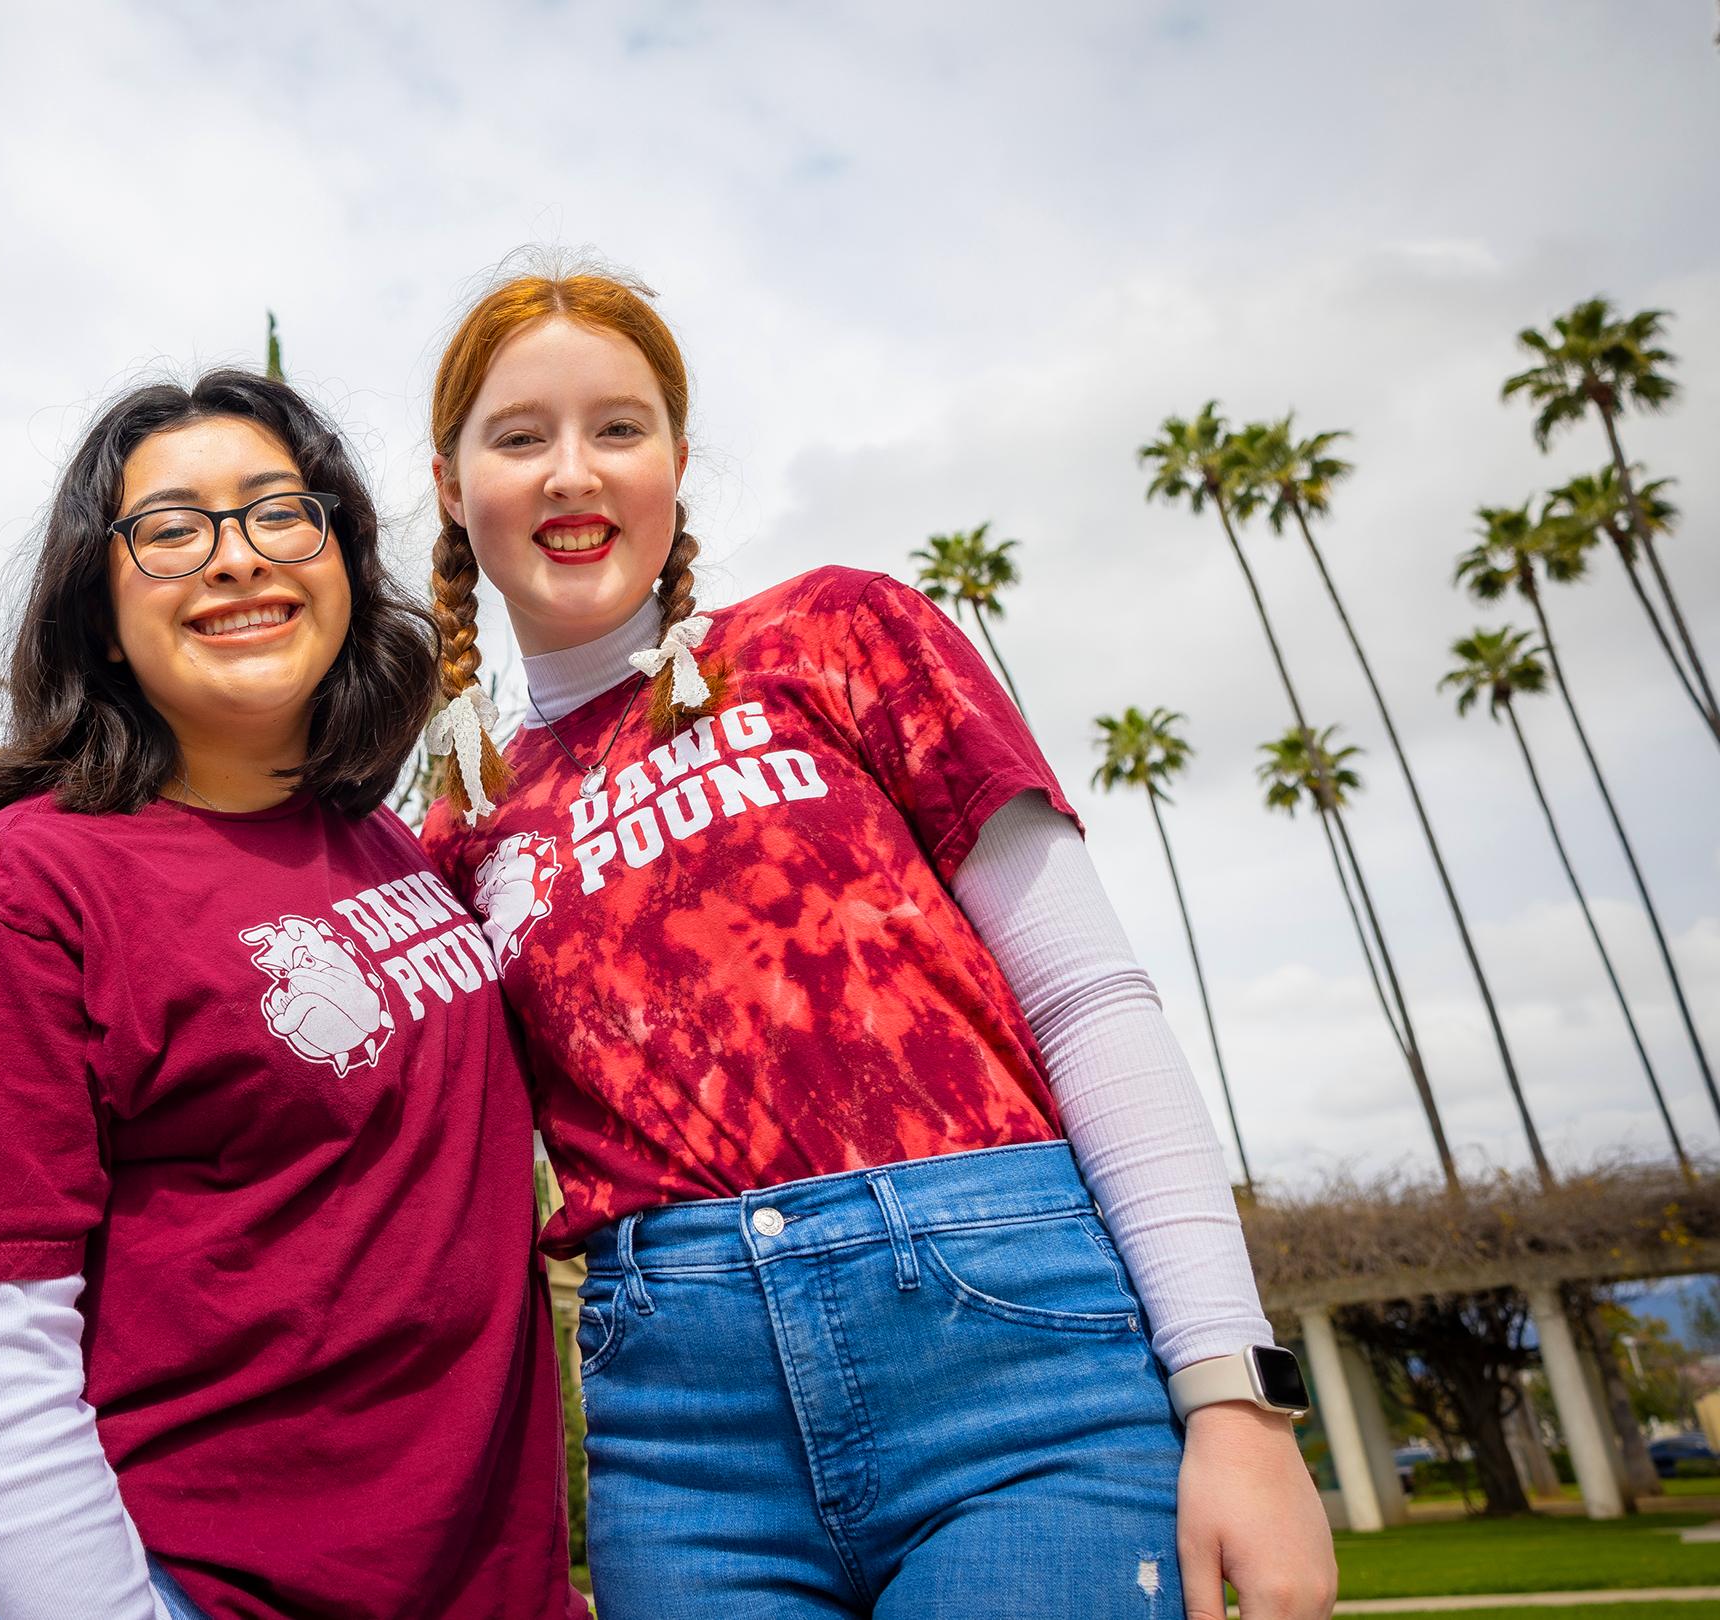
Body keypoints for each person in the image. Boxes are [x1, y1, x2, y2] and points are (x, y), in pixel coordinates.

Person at [414, 264, 1338, 1619]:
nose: (573, 474)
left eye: (619, 428)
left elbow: (1086, 998)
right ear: (452, 486)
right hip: (683, 1449)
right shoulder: (461, 822)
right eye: (519, 436)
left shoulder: (838, 634)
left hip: (1013, 1372)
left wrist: (1233, 1399)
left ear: (675, 458)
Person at [0, 369, 585, 1620]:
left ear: (345, 564)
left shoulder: (395, 855)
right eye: (170, 530)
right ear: (99, 613)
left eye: (277, 514)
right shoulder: (27, 887)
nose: (237, 560)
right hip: (179, 1584)